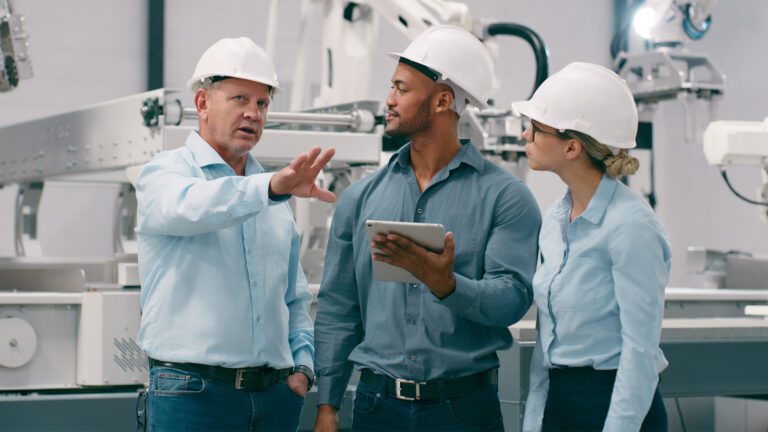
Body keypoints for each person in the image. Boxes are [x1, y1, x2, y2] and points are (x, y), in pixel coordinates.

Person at [313, 25, 541, 432]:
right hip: (375, 407)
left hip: (464, 410)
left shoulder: (507, 197)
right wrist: (327, 406)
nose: (389, 100)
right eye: (392, 87)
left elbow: (514, 299)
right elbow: (338, 309)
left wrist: (448, 285)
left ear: (443, 100)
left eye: (401, 89)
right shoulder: (359, 198)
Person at [135, 37, 335, 432]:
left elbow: (293, 297)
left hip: (276, 396)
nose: (253, 114)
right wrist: (270, 189)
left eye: (262, 104)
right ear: (202, 103)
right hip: (192, 394)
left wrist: (302, 368)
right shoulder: (165, 174)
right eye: (240, 99)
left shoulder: (272, 192)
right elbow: (189, 207)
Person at [514, 62, 670, 432]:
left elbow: (640, 353)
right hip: (561, 400)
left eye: (536, 129)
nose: (525, 135)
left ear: (572, 147)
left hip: (616, 403)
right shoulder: (554, 220)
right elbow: (547, 340)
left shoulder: (631, 226)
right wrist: (536, 420)